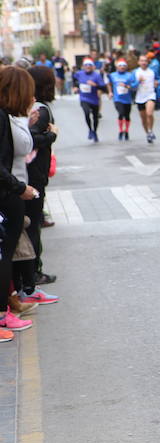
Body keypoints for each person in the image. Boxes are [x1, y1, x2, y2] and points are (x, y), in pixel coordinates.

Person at [0, 67, 42, 337]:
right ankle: (3, 315)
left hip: (10, 192)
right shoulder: (2, 118)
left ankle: (7, 306)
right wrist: (18, 188)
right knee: (5, 255)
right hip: (7, 194)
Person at [25, 65, 58, 287]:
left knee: (31, 224)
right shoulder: (41, 110)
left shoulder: (36, 107)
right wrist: (52, 136)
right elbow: (32, 140)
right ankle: (33, 274)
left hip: (31, 175)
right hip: (32, 176)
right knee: (32, 225)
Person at [72, 58, 105, 142]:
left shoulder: (96, 75)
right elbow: (74, 79)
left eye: (89, 65)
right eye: (86, 65)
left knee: (95, 117)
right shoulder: (79, 74)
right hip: (84, 98)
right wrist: (75, 87)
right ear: (83, 66)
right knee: (86, 113)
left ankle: (95, 131)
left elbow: (103, 87)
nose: (87, 67)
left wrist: (95, 85)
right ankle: (90, 130)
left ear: (93, 67)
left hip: (94, 99)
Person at [107, 59, 137, 141]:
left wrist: (127, 86)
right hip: (117, 99)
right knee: (121, 113)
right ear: (117, 67)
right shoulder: (113, 75)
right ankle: (120, 130)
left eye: (124, 66)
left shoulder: (129, 75)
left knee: (127, 115)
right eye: (120, 65)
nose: (122, 67)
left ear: (126, 67)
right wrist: (110, 92)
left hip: (127, 99)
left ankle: (126, 131)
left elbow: (134, 85)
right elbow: (109, 83)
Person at [134, 55, 158, 143]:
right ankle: (147, 133)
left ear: (148, 62)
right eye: (142, 61)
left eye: (145, 61)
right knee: (143, 118)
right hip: (140, 97)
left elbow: (158, 79)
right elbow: (132, 86)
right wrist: (138, 81)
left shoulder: (152, 71)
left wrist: (157, 83)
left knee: (149, 113)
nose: (144, 62)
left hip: (150, 95)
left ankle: (151, 130)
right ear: (138, 62)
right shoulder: (135, 72)